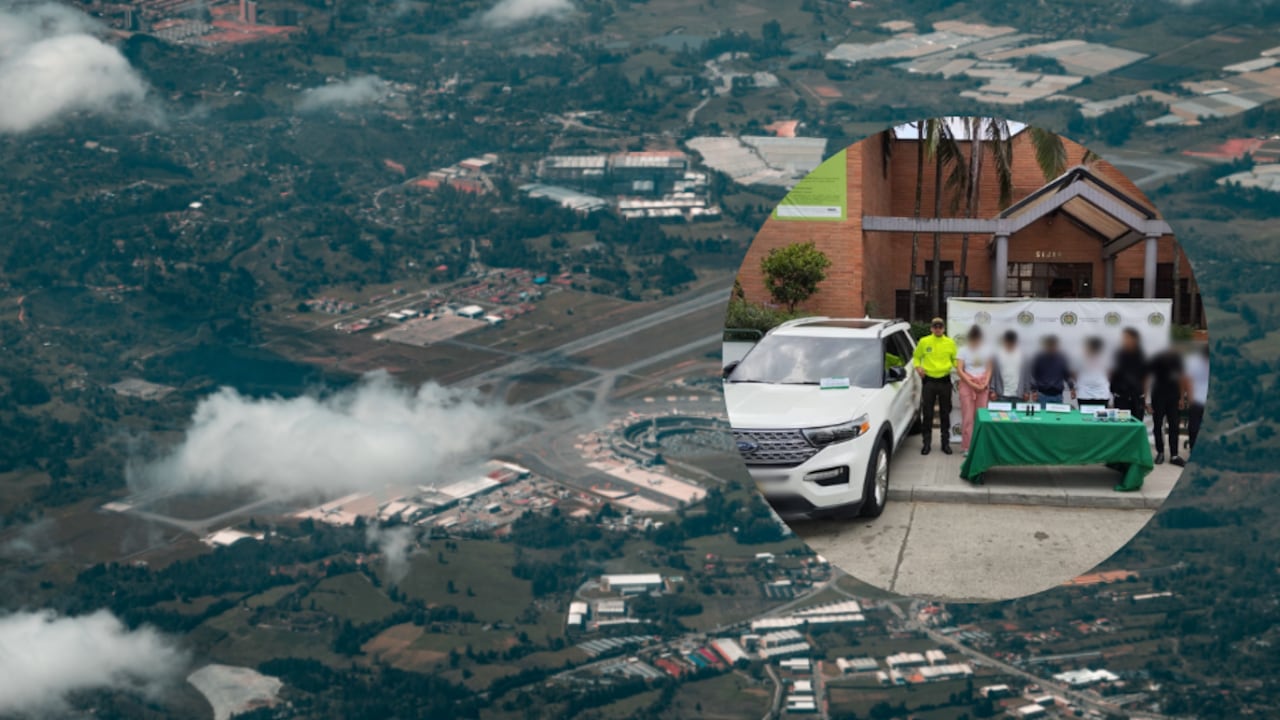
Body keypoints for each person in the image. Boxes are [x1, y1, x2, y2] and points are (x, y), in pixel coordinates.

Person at [912, 317, 958, 456]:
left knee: (945, 412)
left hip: (944, 380)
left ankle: (945, 443)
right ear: (931, 328)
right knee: (928, 413)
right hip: (929, 381)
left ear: (943, 328)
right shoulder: (924, 341)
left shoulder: (950, 342)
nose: (938, 329)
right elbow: (916, 357)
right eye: (935, 327)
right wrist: (918, 367)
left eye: (940, 327)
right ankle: (926, 444)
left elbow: (955, 360)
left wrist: (960, 367)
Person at [1148, 344, 1189, 467]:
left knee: (1174, 427)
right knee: (1158, 426)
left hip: (1173, 398)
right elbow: (1148, 379)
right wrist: (1148, 401)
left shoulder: (1178, 361)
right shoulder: (1155, 360)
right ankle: (1160, 452)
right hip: (1158, 397)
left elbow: (1182, 378)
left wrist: (1182, 397)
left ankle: (1174, 455)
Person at [956, 325, 992, 454]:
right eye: (973, 339)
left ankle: (980, 445)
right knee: (968, 417)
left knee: (981, 417)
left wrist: (985, 383)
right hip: (967, 384)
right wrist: (972, 384)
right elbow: (959, 370)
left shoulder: (987, 350)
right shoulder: (963, 350)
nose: (975, 341)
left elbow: (989, 369)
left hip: (982, 385)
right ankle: (967, 447)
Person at [1110, 328, 1147, 421]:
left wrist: (1145, 397)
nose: (1125, 340)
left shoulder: (1141, 356)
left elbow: (1145, 378)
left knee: (1136, 424)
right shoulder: (1118, 355)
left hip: (1137, 398)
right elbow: (1113, 376)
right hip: (1122, 399)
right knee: (1123, 424)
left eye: (1128, 338)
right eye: (1124, 338)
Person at [1030, 334, 1074, 407]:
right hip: (1042, 396)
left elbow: (1067, 375)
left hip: (1058, 396)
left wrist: (1072, 388)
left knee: (1057, 417)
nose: (1051, 347)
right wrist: (1034, 391)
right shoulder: (1039, 359)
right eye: (1049, 345)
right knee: (1043, 418)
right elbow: (1034, 375)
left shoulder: (1062, 359)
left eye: (1053, 345)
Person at [990, 330, 1029, 404]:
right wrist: (992, 390)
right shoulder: (997, 355)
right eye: (1008, 342)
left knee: (1018, 416)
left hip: (1018, 396)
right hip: (1001, 395)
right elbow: (993, 374)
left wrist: (1026, 391)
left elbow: (1026, 375)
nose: (1010, 344)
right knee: (1001, 416)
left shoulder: (1023, 355)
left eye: (1012, 342)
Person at [1184, 343, 1210, 454]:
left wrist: (1190, 399)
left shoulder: (1193, 362)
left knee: (1194, 426)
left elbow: (1188, 382)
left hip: (1196, 399)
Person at [1075, 336, 1112, 407]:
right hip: (1084, 395)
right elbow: (1074, 373)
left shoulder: (1106, 359)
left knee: (1101, 418)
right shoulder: (1080, 358)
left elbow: (1111, 373)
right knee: (1084, 418)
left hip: (1101, 395)